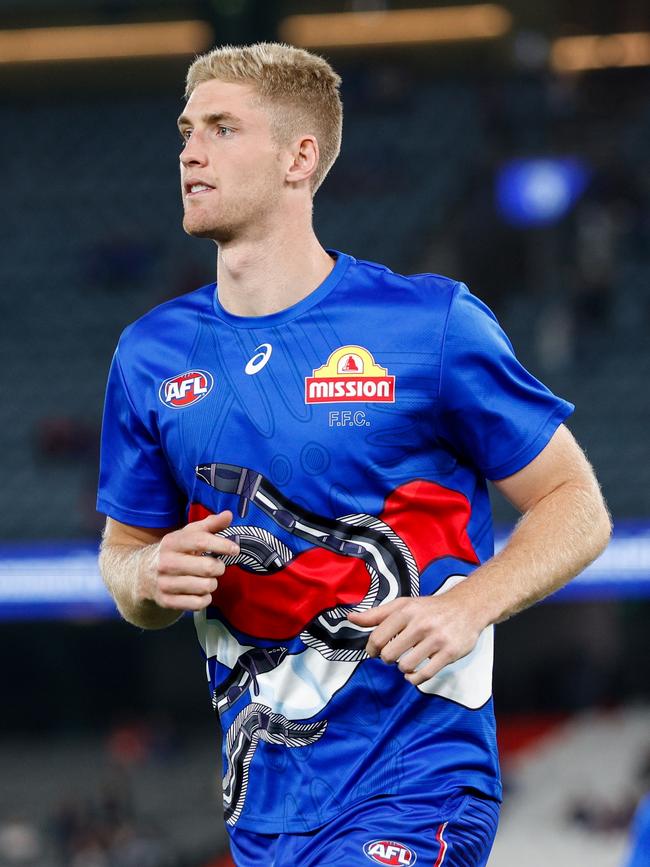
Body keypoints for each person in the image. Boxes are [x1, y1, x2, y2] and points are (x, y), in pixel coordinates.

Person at [97, 42, 612, 867]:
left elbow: (576, 503)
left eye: (224, 129)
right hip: (264, 812)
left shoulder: (429, 324)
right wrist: (148, 576)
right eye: (187, 129)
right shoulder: (148, 356)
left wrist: (469, 602)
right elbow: (123, 559)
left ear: (301, 157)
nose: (191, 151)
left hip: (417, 786)